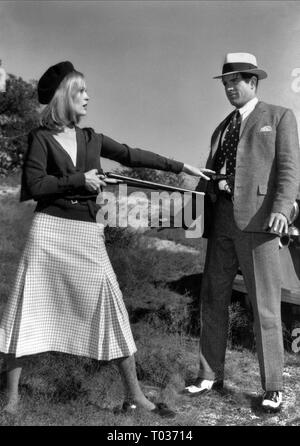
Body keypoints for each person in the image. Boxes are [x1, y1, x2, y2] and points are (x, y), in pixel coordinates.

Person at [0, 61, 213, 416]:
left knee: (111, 308)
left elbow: (131, 154)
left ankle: (135, 396)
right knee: (29, 310)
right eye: (81, 91)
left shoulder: (91, 137)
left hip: (86, 231)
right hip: (49, 232)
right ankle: (12, 399)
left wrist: (180, 166)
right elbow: (34, 187)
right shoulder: (40, 138)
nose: (88, 97)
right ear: (64, 95)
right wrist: (78, 180)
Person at [184, 53, 300, 413]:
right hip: (219, 221)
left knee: (264, 306)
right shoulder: (222, 127)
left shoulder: (279, 116)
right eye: (225, 82)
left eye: (237, 80)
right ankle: (208, 375)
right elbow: (211, 171)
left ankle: (273, 388)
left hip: (259, 224)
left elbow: (289, 169)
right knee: (212, 299)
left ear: (253, 82)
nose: (230, 87)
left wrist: (282, 210)